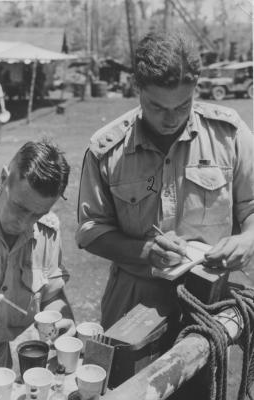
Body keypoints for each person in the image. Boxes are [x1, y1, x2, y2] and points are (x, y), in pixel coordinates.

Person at [76, 30, 254, 332]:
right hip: (134, 304)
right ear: (137, 88)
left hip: (212, 300)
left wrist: (248, 238)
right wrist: (146, 253)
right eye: (157, 107)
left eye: (183, 105)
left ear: (196, 88)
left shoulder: (230, 134)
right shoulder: (107, 150)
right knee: (126, 379)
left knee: (208, 377)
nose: (171, 119)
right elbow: (90, 229)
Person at [0, 140, 75, 383]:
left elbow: (52, 295)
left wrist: (60, 320)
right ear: (3, 177)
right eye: (20, 208)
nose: (25, 223)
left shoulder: (46, 231)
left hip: (2, 372)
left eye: (38, 214)